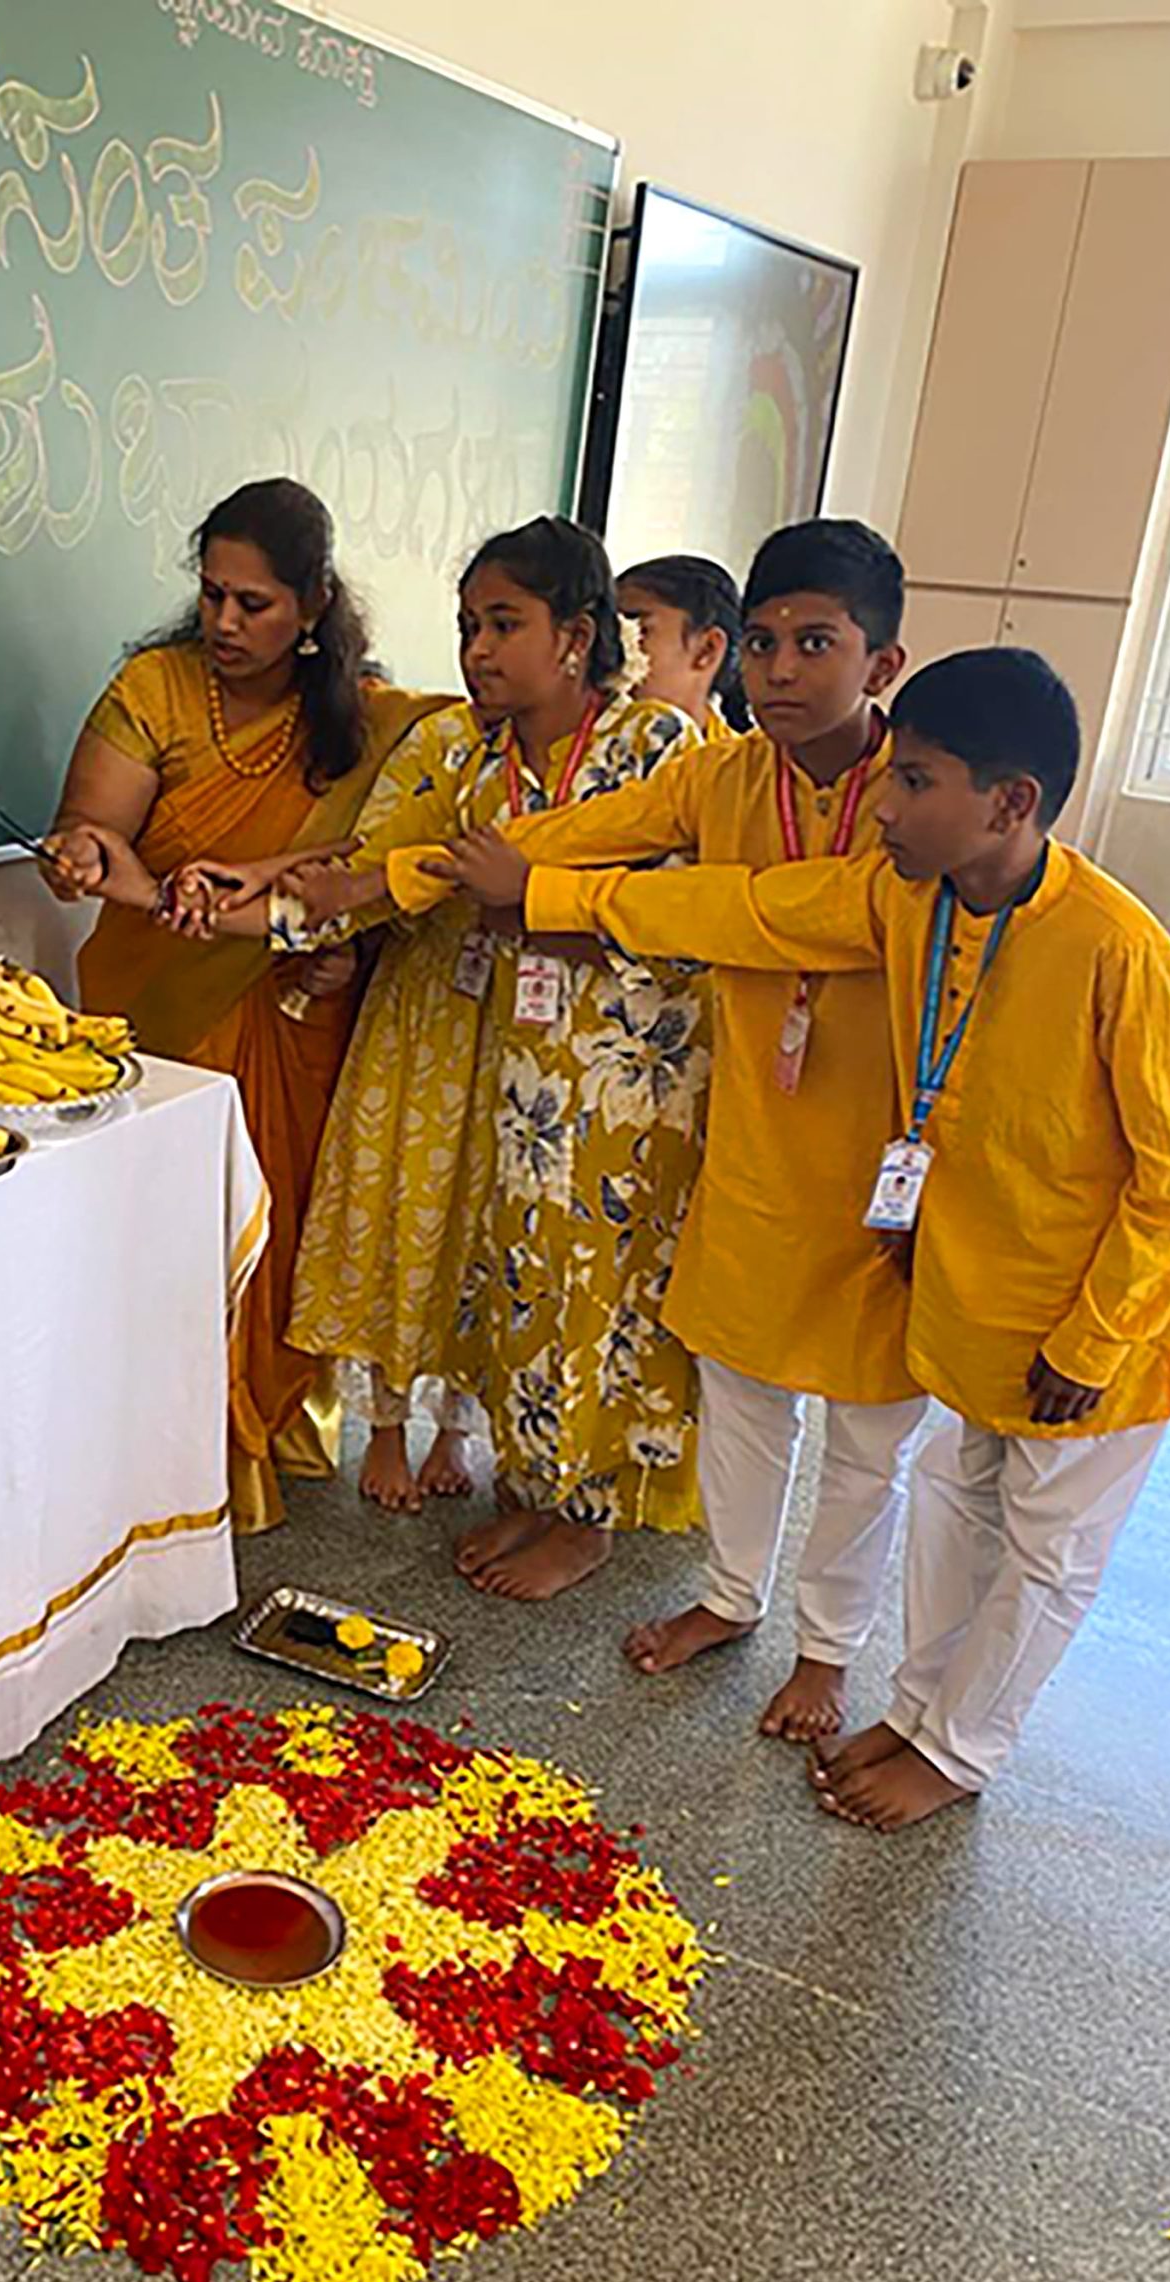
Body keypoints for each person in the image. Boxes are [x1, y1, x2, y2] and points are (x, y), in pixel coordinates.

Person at [499, 646, 1170, 1827]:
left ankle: (958, 1750)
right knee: (955, 1514)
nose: (883, 807)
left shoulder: (1118, 950)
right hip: (966, 1300)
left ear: (1010, 802)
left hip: (1092, 1338)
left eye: (915, 782)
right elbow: (747, 909)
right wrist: (549, 895)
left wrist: (1093, 1338)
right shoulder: (909, 898)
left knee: (1045, 1555)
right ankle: (918, 1713)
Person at [424, 520, 927, 1733]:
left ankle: (827, 1649)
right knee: (743, 1391)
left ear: (883, 663)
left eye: (817, 643)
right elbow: (578, 832)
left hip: (885, 1152)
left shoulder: (919, 792)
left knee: (864, 1429)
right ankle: (732, 1596)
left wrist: (555, 896)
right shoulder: (725, 776)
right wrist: (424, 872)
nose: (782, 670)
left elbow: (781, 914)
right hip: (751, 1127)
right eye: (763, 643)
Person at [228, 518, 707, 1590]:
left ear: (575, 637)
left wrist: (532, 907)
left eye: (503, 625)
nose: (477, 650)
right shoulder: (475, 758)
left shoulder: (657, 749)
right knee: (525, 1279)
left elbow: (682, 910)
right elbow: (387, 873)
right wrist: (244, 902)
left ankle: (590, 1520)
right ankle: (535, 1491)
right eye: (466, 627)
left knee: (604, 1288)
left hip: (626, 1072)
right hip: (511, 1066)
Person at [42, 478, 447, 1533]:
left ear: (314, 604)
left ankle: (251, 1441)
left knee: (269, 1234)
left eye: (253, 603)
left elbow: (400, 845)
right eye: (212, 594)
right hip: (157, 1008)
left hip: (291, 1009)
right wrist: (87, 855)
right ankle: (155, 1462)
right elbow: (93, 830)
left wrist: (272, 882)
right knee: (164, 1243)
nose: (224, 621)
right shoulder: (156, 688)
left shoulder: (373, 721)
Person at [618, 556, 749, 736]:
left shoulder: (742, 755)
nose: (610, 648)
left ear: (707, 650)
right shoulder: (586, 741)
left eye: (636, 629)